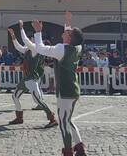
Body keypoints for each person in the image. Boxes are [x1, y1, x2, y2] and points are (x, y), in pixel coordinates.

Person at [33, 13, 87, 156]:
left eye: (67, 32)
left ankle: (68, 152)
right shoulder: (77, 48)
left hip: (65, 92)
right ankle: (80, 148)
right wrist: (68, 23)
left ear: (69, 38)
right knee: (67, 120)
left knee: (63, 123)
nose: (64, 32)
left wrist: (38, 32)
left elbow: (40, 48)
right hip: (73, 90)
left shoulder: (60, 49)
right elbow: (73, 40)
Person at [10, 21, 57, 128]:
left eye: (32, 38)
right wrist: (13, 37)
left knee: (38, 100)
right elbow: (18, 47)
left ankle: (52, 118)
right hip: (26, 79)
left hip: (31, 79)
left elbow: (25, 40)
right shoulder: (28, 50)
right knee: (15, 96)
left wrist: (21, 28)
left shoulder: (35, 49)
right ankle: (19, 117)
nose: (31, 39)